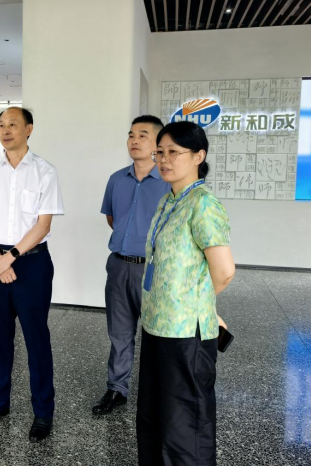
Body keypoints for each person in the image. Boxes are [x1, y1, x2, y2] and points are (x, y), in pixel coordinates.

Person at [137, 121, 235, 466]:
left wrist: (201, 304)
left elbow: (224, 270)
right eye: (159, 152)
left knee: (184, 424)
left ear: (198, 156)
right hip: (156, 324)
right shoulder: (168, 200)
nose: (164, 159)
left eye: (173, 152)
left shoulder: (203, 204)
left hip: (184, 333)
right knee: (155, 415)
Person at [0, 107, 64, 443]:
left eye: (13, 124)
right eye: (1, 125)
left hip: (31, 264)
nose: (6, 130)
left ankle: (43, 411)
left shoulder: (44, 171)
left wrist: (9, 258)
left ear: (29, 129)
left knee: (36, 339)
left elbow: (43, 225)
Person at [94, 115, 170, 416]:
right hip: (118, 266)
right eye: (131, 135)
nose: (134, 140)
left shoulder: (168, 182)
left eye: (142, 135)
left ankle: (159, 393)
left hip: (153, 269)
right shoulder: (116, 179)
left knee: (158, 334)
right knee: (119, 333)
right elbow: (112, 219)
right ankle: (117, 389)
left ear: (158, 144)